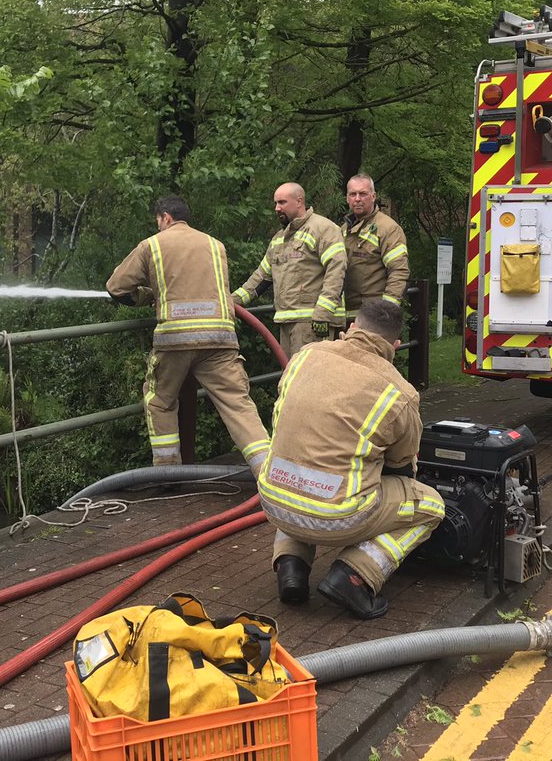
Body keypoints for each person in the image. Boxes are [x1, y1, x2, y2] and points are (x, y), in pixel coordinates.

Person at [255, 301, 445, 619]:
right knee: (431, 506)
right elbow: (401, 466)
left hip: (273, 500)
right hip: (336, 516)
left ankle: (292, 567)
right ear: (395, 346)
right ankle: (355, 575)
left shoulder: (305, 357)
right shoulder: (399, 392)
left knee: (306, 463)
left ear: (353, 327)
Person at [106, 195, 271, 473]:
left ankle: (168, 473)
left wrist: (144, 297)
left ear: (165, 218)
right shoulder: (214, 244)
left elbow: (116, 287)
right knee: (238, 406)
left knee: (159, 401)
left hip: (175, 341)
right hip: (220, 338)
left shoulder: (152, 245)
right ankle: (268, 472)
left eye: (158, 221)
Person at [232, 183, 347, 357]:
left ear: (299, 201)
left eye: (282, 202)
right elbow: (260, 278)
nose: (277, 208)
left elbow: (337, 271)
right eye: (276, 203)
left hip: (313, 323)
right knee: (291, 378)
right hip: (287, 320)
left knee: (308, 379)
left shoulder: (323, 228)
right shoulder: (280, 239)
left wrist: (323, 312)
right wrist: (230, 302)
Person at [342, 174, 410, 324]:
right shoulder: (343, 230)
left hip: (374, 318)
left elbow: (399, 271)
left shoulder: (388, 229)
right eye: (353, 194)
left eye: (363, 194)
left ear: (373, 196)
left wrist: (386, 311)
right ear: (347, 198)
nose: (357, 199)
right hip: (346, 318)